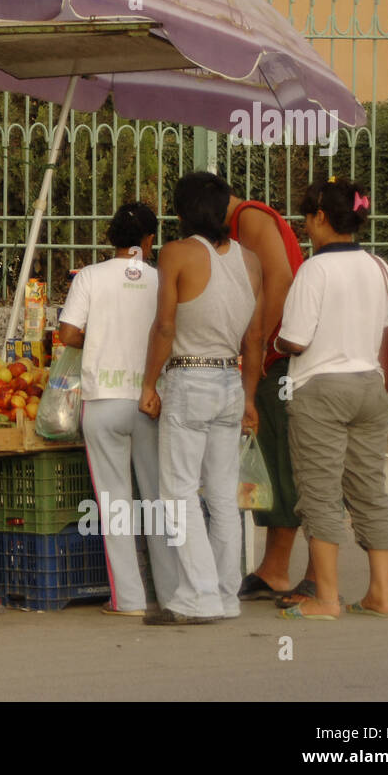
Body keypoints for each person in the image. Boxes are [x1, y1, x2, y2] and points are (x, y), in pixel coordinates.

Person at [139, 172, 263, 625]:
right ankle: (227, 596)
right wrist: (249, 399)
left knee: (179, 494)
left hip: (190, 381)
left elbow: (165, 327)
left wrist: (149, 384)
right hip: (231, 383)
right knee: (224, 497)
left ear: (182, 211)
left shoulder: (176, 254)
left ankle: (199, 597)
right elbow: (256, 338)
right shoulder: (250, 262)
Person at [275, 178, 388, 620]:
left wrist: (276, 343)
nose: (304, 227)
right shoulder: (379, 267)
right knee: (369, 489)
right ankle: (380, 595)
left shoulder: (315, 270)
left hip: (321, 390)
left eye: (306, 217)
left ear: (321, 217)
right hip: (370, 385)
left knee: (320, 493)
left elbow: (296, 340)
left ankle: (326, 598)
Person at [57, 202, 179, 617]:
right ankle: (171, 592)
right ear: (149, 240)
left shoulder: (90, 277)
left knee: (114, 505)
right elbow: (170, 331)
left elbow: (68, 332)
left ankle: (127, 600)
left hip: (103, 403)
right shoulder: (161, 280)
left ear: (111, 238)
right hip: (150, 400)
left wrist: (95, 343)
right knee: (157, 502)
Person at [223, 190, 317, 607]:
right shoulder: (249, 219)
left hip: (279, 360)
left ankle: (299, 572)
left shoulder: (249, 218)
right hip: (278, 358)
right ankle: (275, 568)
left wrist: (259, 343)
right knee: (277, 467)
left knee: (287, 468)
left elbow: (279, 279)